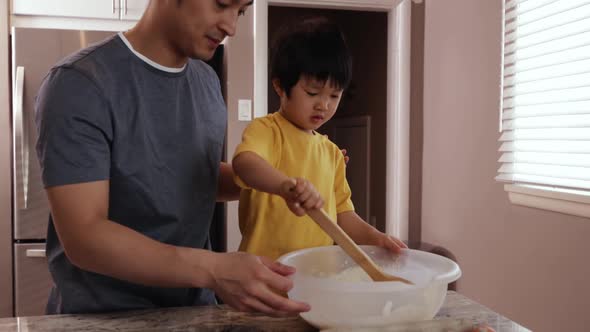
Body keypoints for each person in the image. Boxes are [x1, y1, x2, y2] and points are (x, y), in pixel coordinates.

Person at [34, 0, 310, 316]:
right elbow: (85, 237)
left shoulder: (206, 83)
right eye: (221, 4)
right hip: (102, 316)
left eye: (241, 11)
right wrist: (214, 268)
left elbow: (184, 178)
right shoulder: (79, 83)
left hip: (190, 312)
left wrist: (276, 181)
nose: (231, 26)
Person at [232, 17, 407, 261]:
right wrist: (285, 187)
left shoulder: (332, 153)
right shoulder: (267, 130)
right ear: (281, 86)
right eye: (312, 93)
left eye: (334, 95)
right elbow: (245, 164)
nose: (323, 105)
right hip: (263, 273)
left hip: (313, 277)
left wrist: (376, 238)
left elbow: (343, 216)